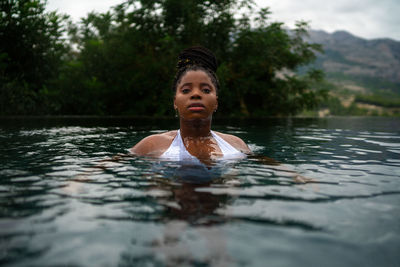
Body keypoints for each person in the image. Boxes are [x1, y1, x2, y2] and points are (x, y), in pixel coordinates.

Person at [130, 46, 251, 162]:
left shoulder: (236, 145)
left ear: (216, 103)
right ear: (175, 102)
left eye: (206, 90)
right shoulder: (151, 145)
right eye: (186, 90)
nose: (196, 94)